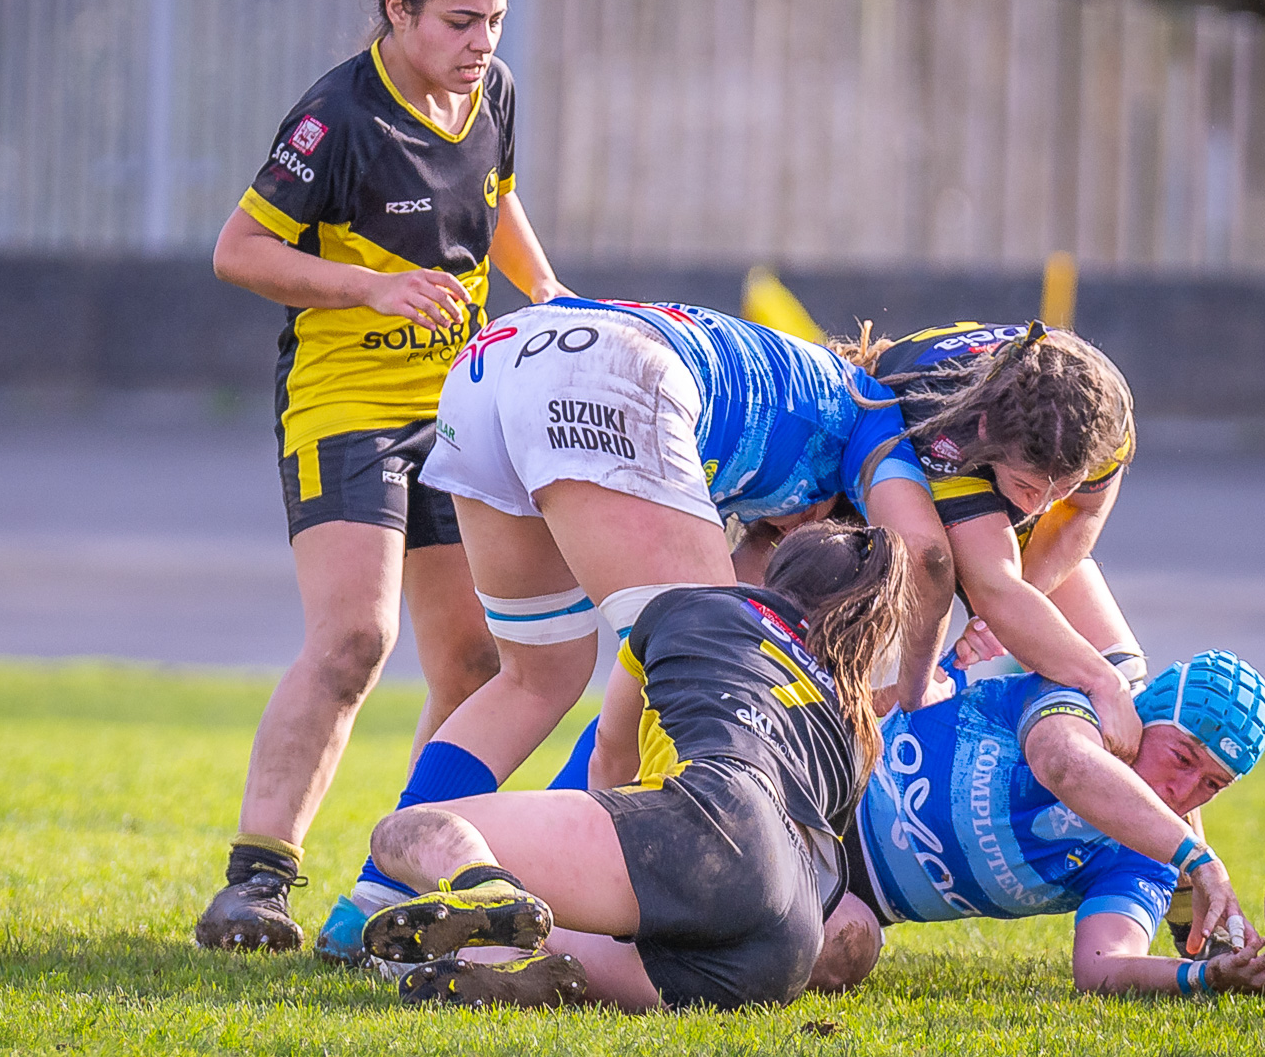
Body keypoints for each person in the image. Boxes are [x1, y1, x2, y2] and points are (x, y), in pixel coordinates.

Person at [314, 298, 1148, 963]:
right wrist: (924, 673)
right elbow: (928, 557)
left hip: (497, 364)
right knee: (699, 695)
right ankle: (592, 894)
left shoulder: (807, 407)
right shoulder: (875, 417)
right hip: (616, 380)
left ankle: (376, 896)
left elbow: (755, 558)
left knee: (536, 676)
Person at [196, 0, 570, 952]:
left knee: (474, 664)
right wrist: (370, 287)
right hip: (345, 410)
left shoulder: (489, 91)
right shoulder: (337, 117)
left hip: (459, 411)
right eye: (458, 21)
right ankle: (256, 881)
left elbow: (497, 195)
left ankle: (398, 880)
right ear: (397, 9)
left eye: (493, 20)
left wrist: (544, 293)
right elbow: (238, 250)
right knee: (356, 637)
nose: (481, 44)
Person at [359, 520, 908, 1009]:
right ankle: (525, 967)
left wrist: (597, 873)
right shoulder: (853, 721)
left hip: (702, 827)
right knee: (847, 927)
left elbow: (610, 758)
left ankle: (490, 892)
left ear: (775, 571)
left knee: (405, 831)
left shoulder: (688, 606)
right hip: (778, 950)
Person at [811, 648, 1265, 999]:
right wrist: (1201, 860)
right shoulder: (1071, 700)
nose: (1182, 793)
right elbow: (1064, 764)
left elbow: (1102, 964)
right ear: (1146, 714)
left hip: (850, 891)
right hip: (817, 776)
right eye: (1182, 757)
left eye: (1212, 785)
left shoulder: (1148, 858)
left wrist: (1207, 975)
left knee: (846, 951)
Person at [844, 319, 1150, 703]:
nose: (1040, 505)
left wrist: (1009, 611)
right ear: (988, 432)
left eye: (1064, 487)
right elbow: (996, 588)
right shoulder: (952, 429)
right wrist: (1098, 680)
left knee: (1126, 678)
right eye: (1028, 487)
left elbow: (1082, 512)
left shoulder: (1107, 418)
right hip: (909, 429)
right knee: (931, 562)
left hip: (997, 443)